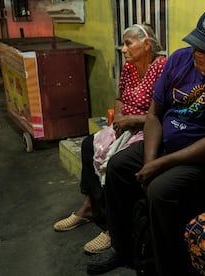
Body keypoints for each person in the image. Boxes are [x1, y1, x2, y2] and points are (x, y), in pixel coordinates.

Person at [86, 5, 205, 275]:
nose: (199, 56)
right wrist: (150, 162)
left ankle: (165, 268)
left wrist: (160, 166)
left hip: (199, 158)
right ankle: (123, 248)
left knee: (160, 191)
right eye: (197, 46)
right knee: (118, 167)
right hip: (164, 143)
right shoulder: (179, 60)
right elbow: (154, 115)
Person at [53, 23, 167, 254]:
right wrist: (119, 119)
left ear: (146, 45)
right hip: (126, 125)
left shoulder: (162, 68)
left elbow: (162, 113)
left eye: (128, 44)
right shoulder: (129, 67)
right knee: (88, 144)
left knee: (118, 163)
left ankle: (114, 229)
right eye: (122, 44)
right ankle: (90, 207)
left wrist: (132, 121)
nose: (123, 49)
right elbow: (119, 98)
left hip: (148, 128)